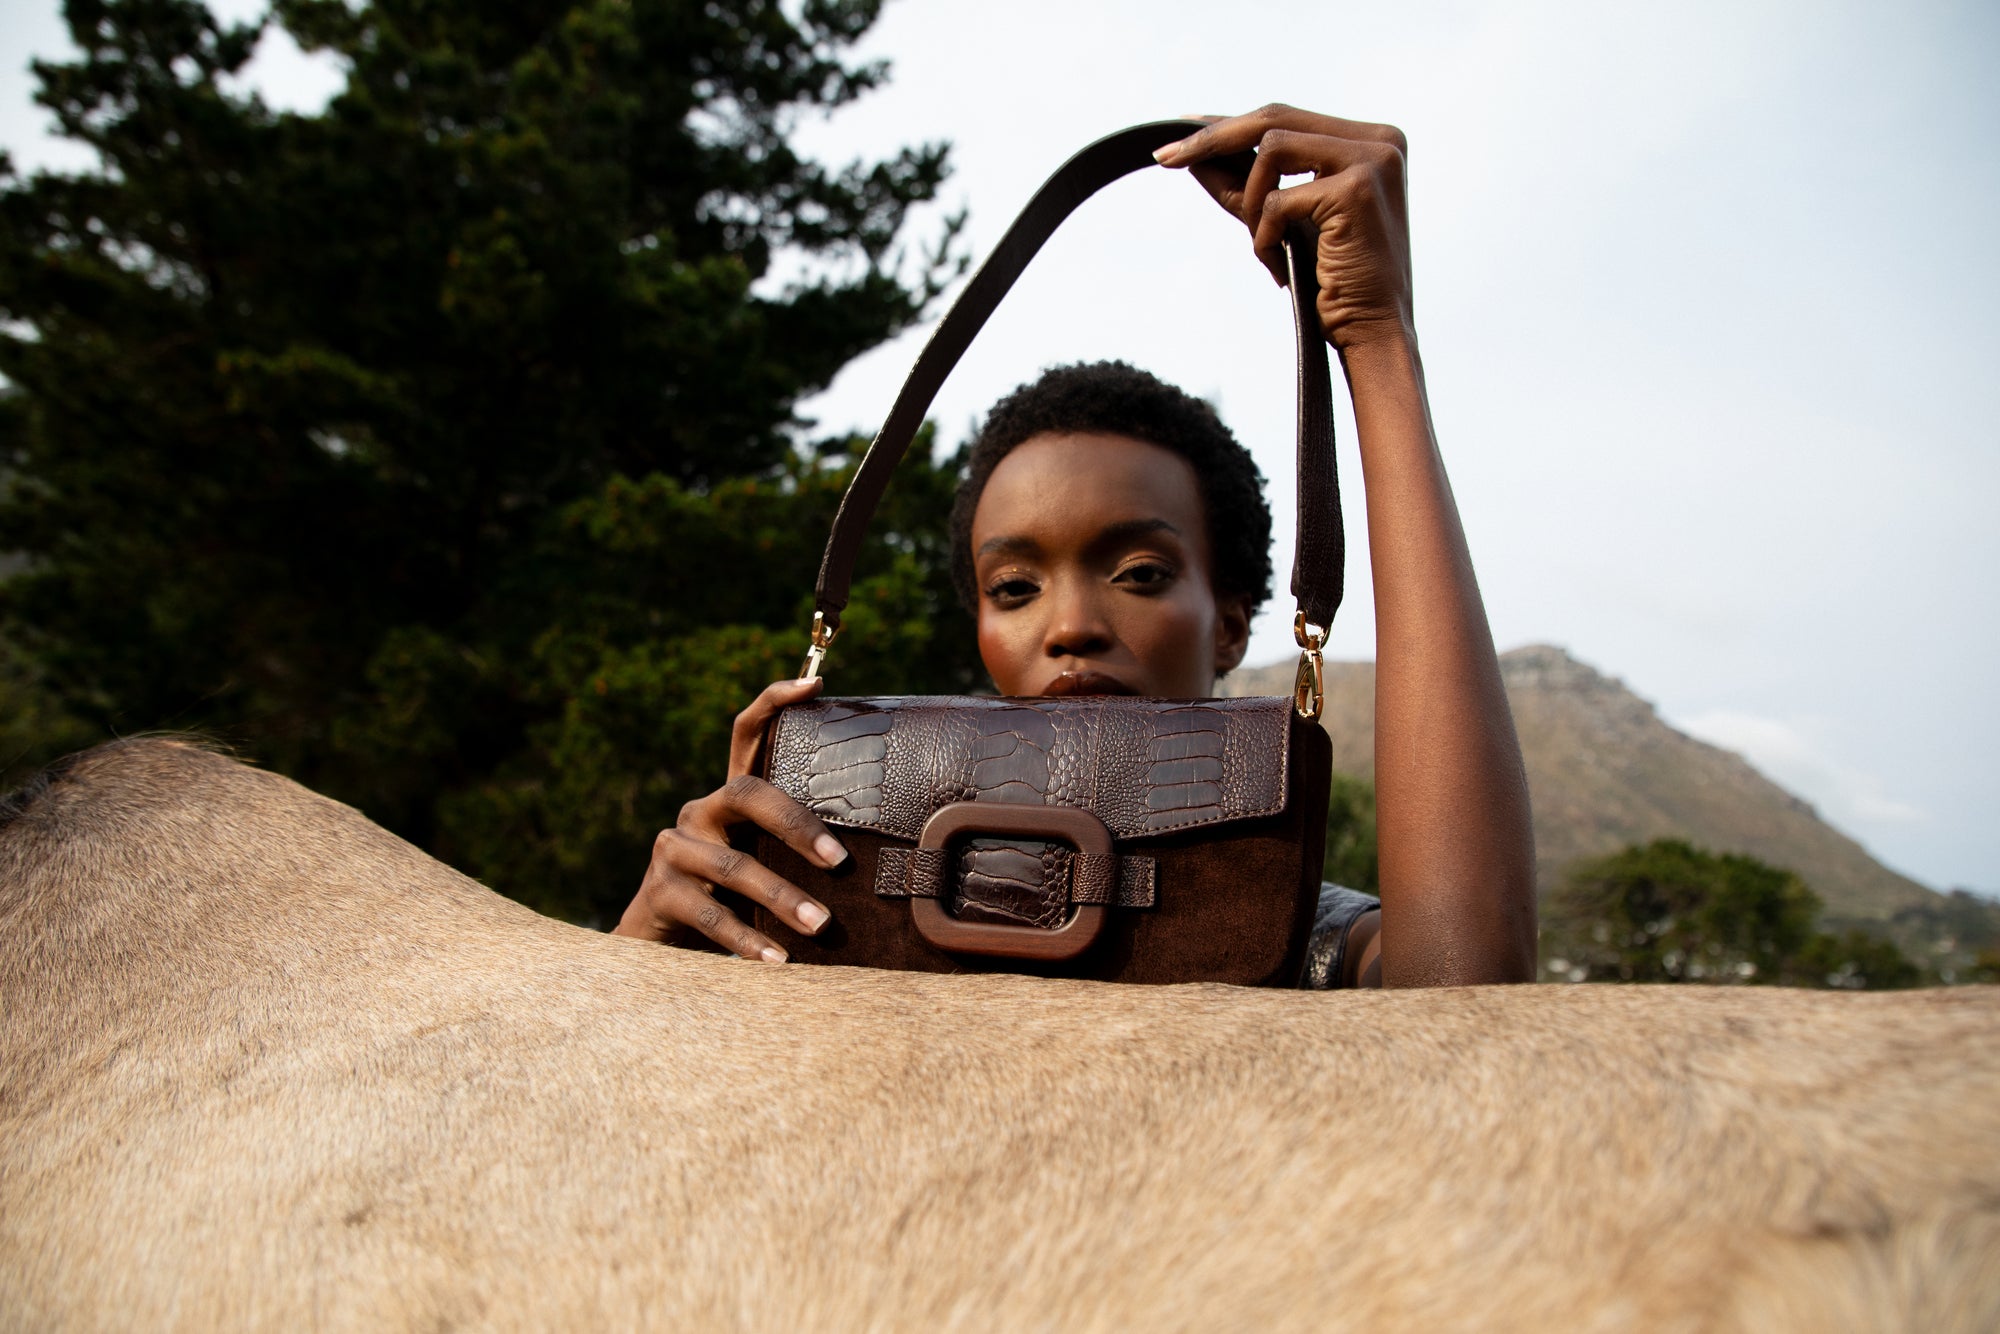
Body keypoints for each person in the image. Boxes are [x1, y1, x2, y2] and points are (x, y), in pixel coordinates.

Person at [613, 105, 1537, 988]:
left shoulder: (1309, 939)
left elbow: (1467, 996)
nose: (1071, 626)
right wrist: (644, 951)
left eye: (1139, 573)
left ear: (1229, 625)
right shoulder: (818, 894)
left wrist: (1376, 341)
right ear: (976, 626)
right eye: (1013, 588)